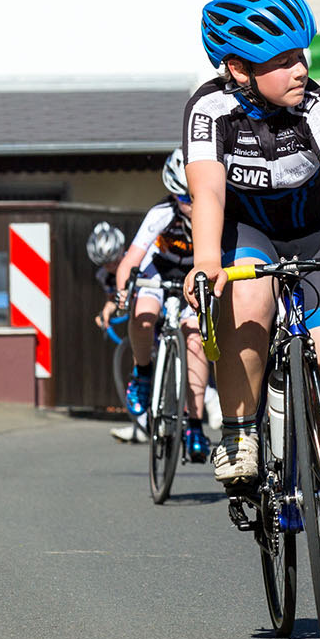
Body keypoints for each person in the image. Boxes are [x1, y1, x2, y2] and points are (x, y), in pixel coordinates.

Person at [181, 0, 320, 563]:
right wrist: (205, 264)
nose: (302, 69)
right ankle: (241, 432)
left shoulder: (316, 105)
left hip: (311, 231)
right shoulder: (210, 109)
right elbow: (208, 196)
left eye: (303, 55)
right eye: (284, 61)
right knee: (248, 304)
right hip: (245, 233)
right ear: (238, 69)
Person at [114, 152, 216, 464]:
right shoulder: (162, 213)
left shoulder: (213, 214)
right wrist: (122, 291)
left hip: (192, 277)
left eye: (195, 197)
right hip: (158, 271)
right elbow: (131, 259)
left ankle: (195, 425)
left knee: (197, 338)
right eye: (184, 198)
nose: (191, 205)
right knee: (144, 315)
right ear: (173, 193)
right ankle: (143, 374)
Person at [87, 221, 149, 444]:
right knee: (139, 362)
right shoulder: (104, 276)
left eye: (114, 260)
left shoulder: (137, 261)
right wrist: (107, 310)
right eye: (105, 263)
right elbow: (111, 297)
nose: (112, 266)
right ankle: (143, 422)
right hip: (135, 315)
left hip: (153, 306)